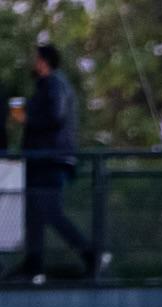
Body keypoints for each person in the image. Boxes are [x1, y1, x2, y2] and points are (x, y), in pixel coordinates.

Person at [4, 46, 105, 284]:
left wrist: (28, 118)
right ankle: (33, 264)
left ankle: (91, 254)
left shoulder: (54, 84)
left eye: (35, 59)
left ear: (44, 62)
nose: (33, 63)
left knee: (49, 210)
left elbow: (56, 116)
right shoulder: (48, 86)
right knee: (35, 214)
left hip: (52, 159)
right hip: (42, 159)